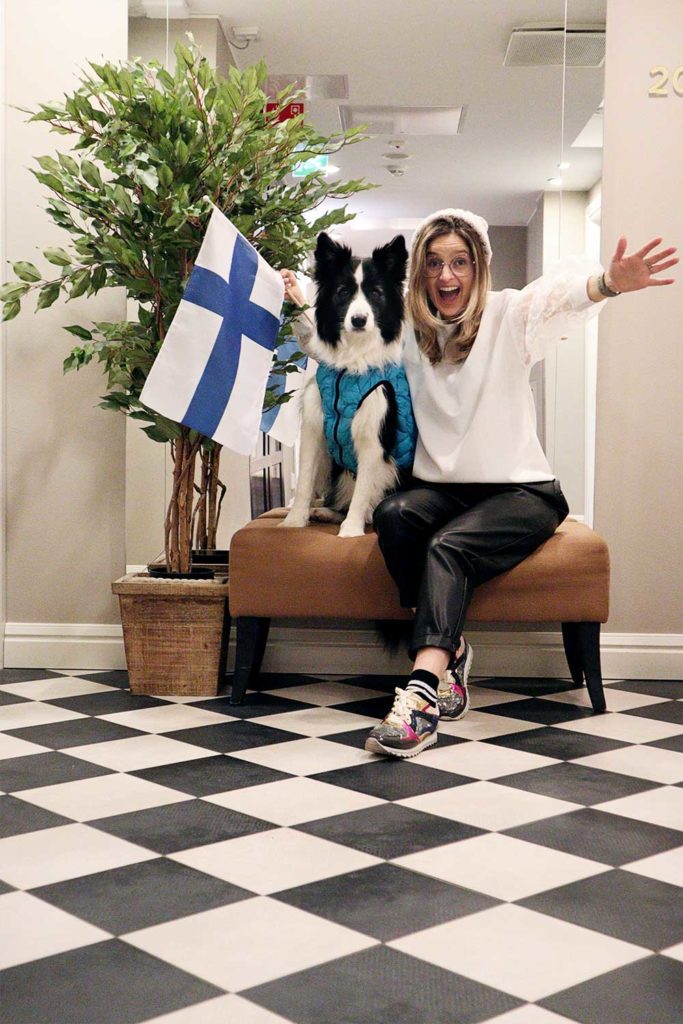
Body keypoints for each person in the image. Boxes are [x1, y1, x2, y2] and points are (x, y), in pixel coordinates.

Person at [281, 210, 677, 759]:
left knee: (448, 547)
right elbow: (335, 350)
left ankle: (420, 700)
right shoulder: (410, 337)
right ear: (420, 273)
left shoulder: (508, 314)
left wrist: (607, 283)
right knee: (395, 517)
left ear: (478, 268)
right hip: (447, 490)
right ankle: (455, 650)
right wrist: (299, 299)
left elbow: (558, 297)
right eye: (436, 264)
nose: (448, 276)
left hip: (522, 492)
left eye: (460, 263)